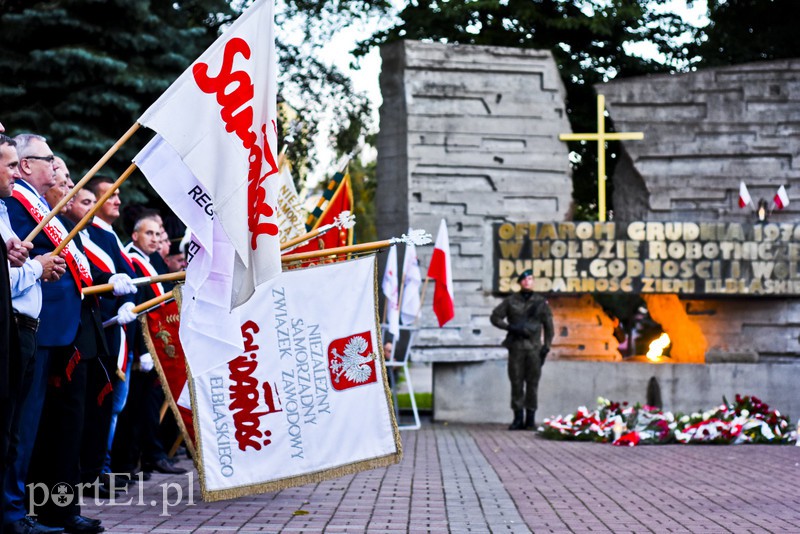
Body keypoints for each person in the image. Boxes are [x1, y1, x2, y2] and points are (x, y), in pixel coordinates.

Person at [490, 269, 554, 431]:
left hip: (534, 349)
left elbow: (549, 327)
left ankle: (530, 419)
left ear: (533, 282)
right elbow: (495, 317)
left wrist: (546, 346)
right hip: (516, 347)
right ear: (520, 282)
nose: (527, 282)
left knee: (532, 384)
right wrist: (509, 327)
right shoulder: (511, 301)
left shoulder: (540, 302)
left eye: (530, 279)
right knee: (516, 382)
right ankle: (518, 417)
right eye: (524, 279)